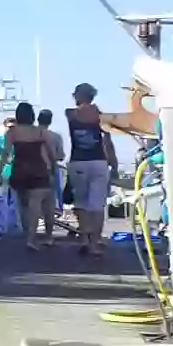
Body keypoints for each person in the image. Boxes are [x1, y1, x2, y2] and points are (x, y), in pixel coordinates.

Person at [66, 82, 118, 256]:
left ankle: (84, 237)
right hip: (99, 162)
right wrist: (114, 164)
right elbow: (108, 143)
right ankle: (95, 242)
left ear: (78, 96)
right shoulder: (102, 117)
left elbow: (78, 114)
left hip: (78, 162)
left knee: (80, 202)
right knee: (97, 205)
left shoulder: (71, 114)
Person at [2, 103, 56, 249]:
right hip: (38, 170)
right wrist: (53, 170)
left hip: (20, 170)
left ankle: (28, 235)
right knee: (38, 205)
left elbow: (6, 153)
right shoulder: (39, 132)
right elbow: (51, 154)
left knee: (23, 206)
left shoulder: (12, 133)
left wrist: (1, 172)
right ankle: (37, 238)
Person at [37, 108, 67, 240]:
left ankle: (30, 237)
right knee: (49, 206)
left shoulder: (30, 135)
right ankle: (48, 236)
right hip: (50, 171)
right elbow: (60, 156)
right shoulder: (55, 137)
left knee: (31, 205)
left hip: (31, 171)